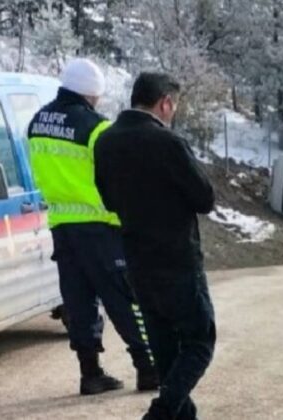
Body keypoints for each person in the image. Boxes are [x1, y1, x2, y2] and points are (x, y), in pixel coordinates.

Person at [28, 59, 157, 395]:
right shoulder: (96, 127)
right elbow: (116, 177)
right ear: (92, 93)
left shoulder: (36, 122)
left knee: (78, 300)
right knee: (124, 299)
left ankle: (90, 374)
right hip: (99, 225)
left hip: (61, 225)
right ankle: (148, 369)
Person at [94, 73, 216, 420]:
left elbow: (108, 200)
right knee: (198, 343)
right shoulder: (168, 143)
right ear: (165, 103)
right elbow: (205, 198)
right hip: (177, 260)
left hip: (136, 261)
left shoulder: (105, 142)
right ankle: (160, 414)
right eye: (173, 106)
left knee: (165, 353)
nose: (173, 113)